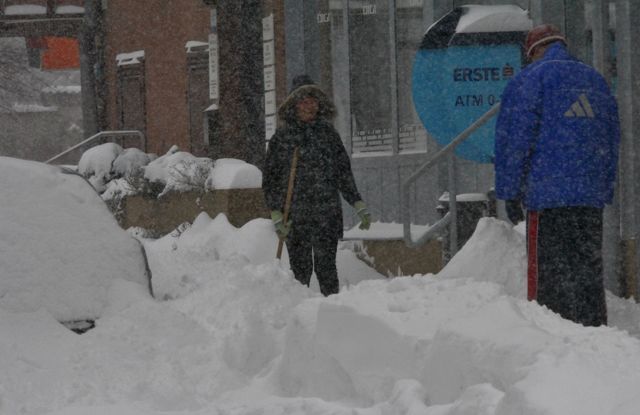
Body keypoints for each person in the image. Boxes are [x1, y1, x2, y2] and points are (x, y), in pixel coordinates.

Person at [494, 24, 620, 326]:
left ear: (534, 50)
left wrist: (509, 191)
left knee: (548, 276)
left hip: (548, 198)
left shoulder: (530, 79)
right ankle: (594, 331)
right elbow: (611, 138)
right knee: (587, 272)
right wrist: (603, 187)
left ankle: (552, 332)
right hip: (588, 199)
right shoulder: (595, 80)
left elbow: (515, 141)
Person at [263, 75, 371, 296]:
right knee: (300, 272)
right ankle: (300, 313)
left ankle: (333, 311)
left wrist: (356, 201)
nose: (309, 106)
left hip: (326, 213)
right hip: (295, 216)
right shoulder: (283, 138)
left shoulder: (328, 135)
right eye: (303, 101)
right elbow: (271, 179)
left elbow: (343, 172)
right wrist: (275, 211)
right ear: (294, 105)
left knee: (326, 269)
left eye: (313, 101)